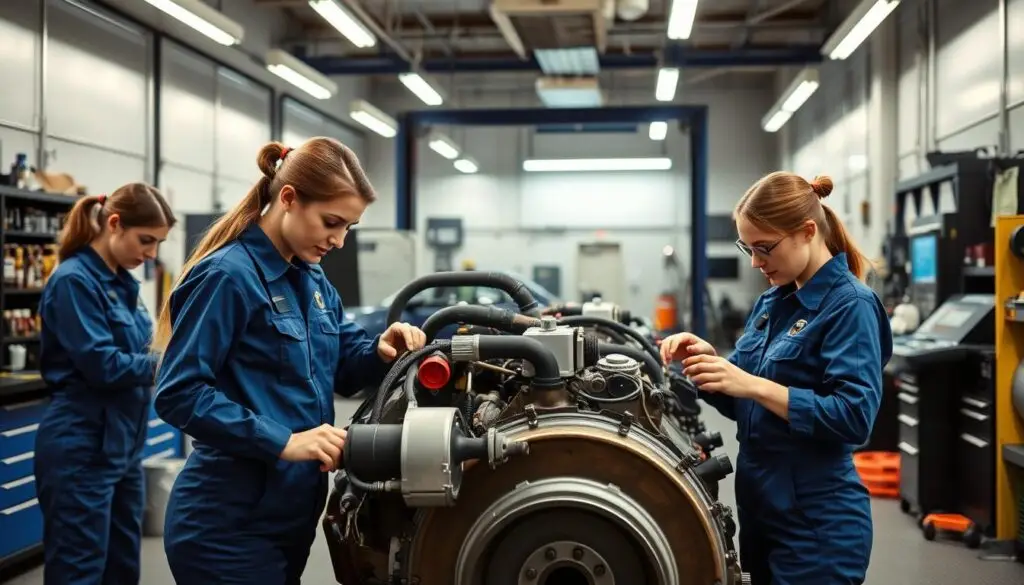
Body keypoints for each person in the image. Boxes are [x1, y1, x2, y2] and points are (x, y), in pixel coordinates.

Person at [150, 138, 427, 584]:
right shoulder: (228, 276)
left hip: (291, 515)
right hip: (229, 524)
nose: (338, 240)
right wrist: (282, 440)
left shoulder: (312, 280)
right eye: (331, 222)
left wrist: (380, 350)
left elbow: (342, 363)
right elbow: (179, 393)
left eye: (349, 228)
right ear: (288, 198)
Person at [661, 172, 892, 585]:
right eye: (747, 248)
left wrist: (750, 383)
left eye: (764, 248)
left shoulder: (850, 306)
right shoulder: (773, 301)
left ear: (806, 232)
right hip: (763, 517)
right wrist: (711, 368)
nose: (754, 262)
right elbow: (751, 408)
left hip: (816, 525)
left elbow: (854, 417)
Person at [34, 183, 176, 585]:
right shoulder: (73, 281)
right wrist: (172, 364)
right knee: (79, 571)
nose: (151, 254)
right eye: (145, 240)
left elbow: (141, 348)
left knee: (122, 568)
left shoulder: (123, 284)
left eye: (158, 243)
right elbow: (104, 365)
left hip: (123, 448)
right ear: (114, 223)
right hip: (81, 447)